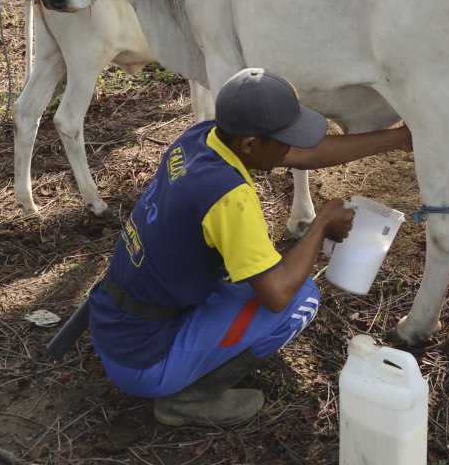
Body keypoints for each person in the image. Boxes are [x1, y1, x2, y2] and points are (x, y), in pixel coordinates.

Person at [88, 67, 412, 428]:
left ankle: (194, 354)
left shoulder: (200, 139)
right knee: (299, 298)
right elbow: (276, 295)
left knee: (254, 279)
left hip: (112, 319)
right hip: (144, 360)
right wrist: (320, 226)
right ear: (250, 144)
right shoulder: (229, 199)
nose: (295, 146)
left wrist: (397, 139)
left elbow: (307, 154)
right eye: (286, 138)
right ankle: (187, 399)